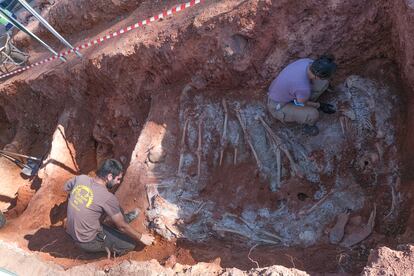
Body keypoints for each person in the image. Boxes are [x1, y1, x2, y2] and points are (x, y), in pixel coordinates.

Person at [64, 159, 154, 256]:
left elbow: (66, 188)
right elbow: (122, 227)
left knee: (112, 206)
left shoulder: (81, 179)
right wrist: (141, 237)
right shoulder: (107, 197)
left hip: (72, 230)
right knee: (129, 245)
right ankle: (101, 255)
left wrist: (79, 202)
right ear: (110, 176)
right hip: (87, 241)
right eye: (118, 179)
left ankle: (123, 219)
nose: (119, 182)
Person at [267, 55, 337, 136]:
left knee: (323, 83)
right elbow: (299, 103)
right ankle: (308, 125)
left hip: (281, 90)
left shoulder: (307, 61)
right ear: (318, 76)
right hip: (278, 105)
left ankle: (301, 97)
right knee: (313, 114)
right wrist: (320, 105)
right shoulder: (303, 88)